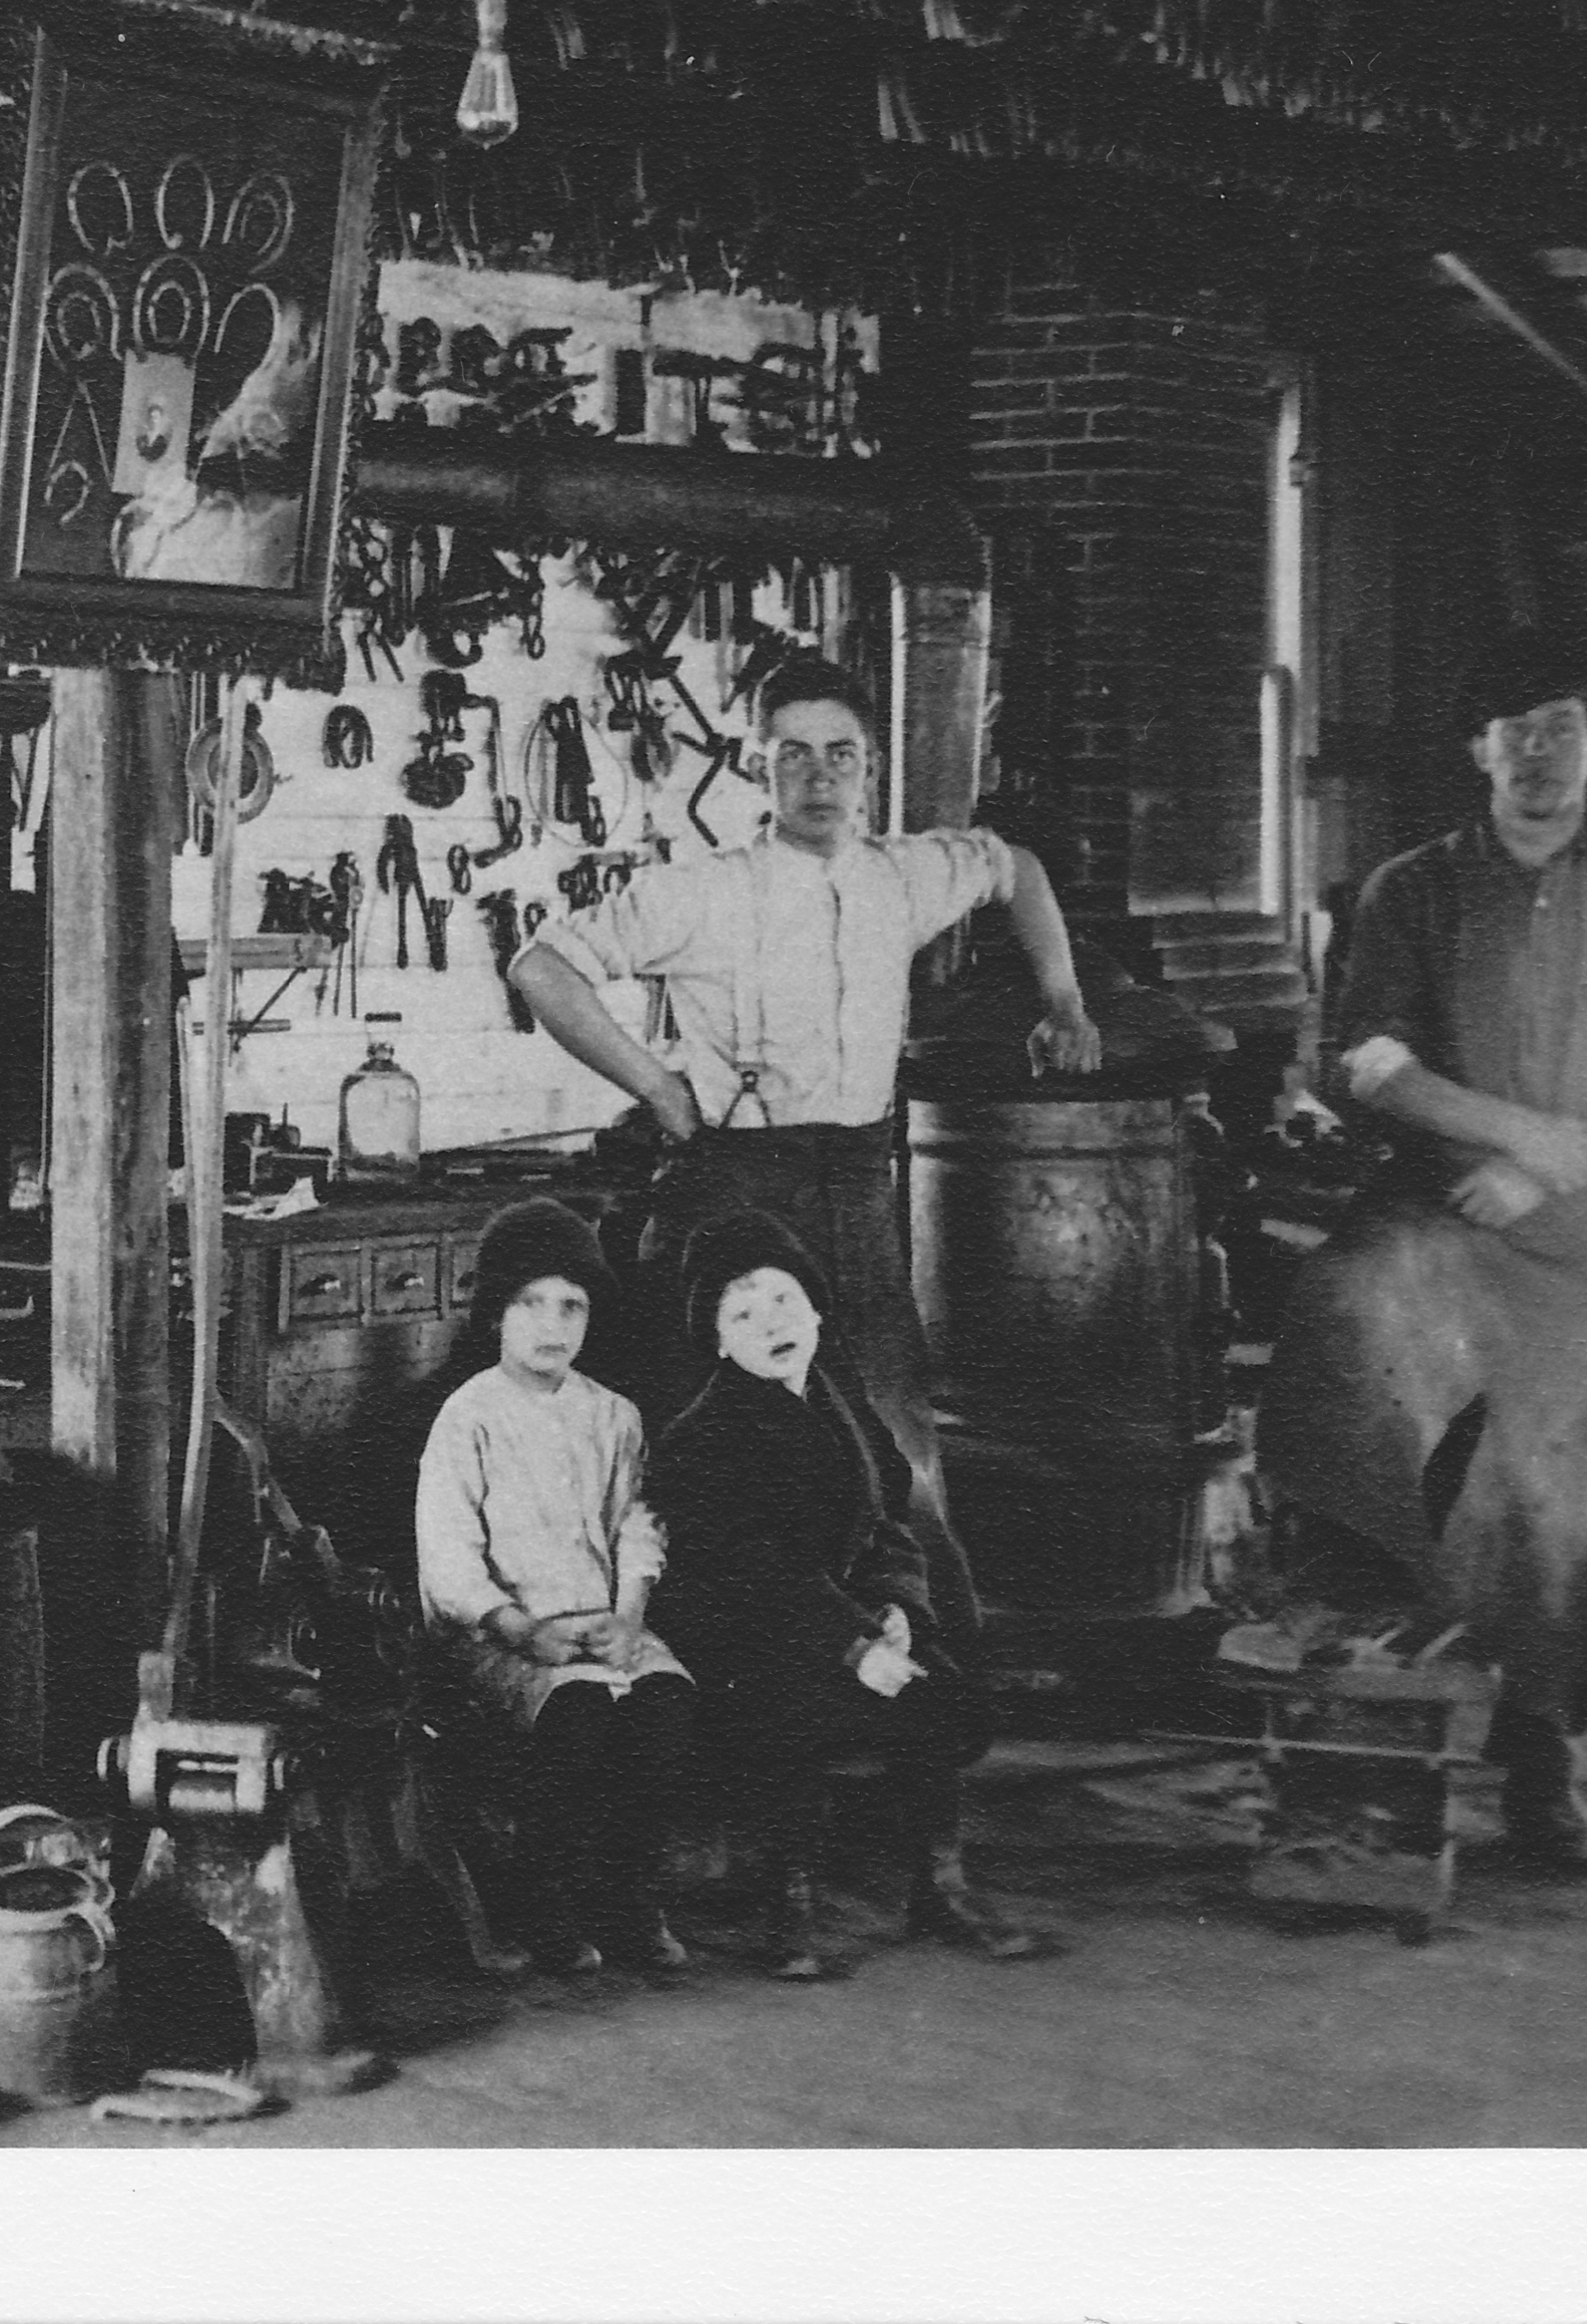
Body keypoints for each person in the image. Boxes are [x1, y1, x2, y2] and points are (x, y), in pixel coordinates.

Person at [508, 647, 1102, 1620]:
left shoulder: (904, 877)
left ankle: (922, 1680)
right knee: (692, 1442)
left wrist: (1065, 1003)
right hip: (729, 1190)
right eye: (794, 756)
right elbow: (542, 969)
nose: (819, 778)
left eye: (841, 755)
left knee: (894, 1438)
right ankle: (683, 1686)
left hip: (857, 1185)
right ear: (757, 768)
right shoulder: (698, 891)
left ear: (870, 768)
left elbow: (1017, 868)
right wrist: (655, 1085)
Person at [1259, 647, 1587, 1872]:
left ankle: (1539, 1761)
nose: (1537, 752)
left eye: (1561, 728)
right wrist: (1512, 1133)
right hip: (1439, 1216)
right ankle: (1349, 1722)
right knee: (1346, 1367)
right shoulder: (1412, 891)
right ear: (1480, 751)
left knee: (1553, 1488)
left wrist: (1558, 1166)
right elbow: (1368, 1060)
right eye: (1514, 731)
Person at [643, 1209, 1053, 1978]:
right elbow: (748, 1572)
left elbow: (889, 1522)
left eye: (784, 1301)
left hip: (852, 1617)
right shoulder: (704, 1436)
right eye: (742, 1313)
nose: (771, 1324)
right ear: (719, 1341)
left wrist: (901, 1611)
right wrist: (856, 1644)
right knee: (792, 1706)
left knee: (939, 1691)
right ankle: (789, 1899)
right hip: (743, 1633)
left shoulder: (844, 1406)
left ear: (819, 1311)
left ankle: (941, 1886)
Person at [413, 1199, 699, 1977]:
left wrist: (631, 1618)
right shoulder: (467, 1417)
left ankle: (628, 1894)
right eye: (530, 1303)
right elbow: (447, 1561)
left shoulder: (614, 1416)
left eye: (571, 1306)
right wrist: (520, 1630)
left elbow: (639, 1527)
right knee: (574, 1716)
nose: (553, 1324)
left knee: (665, 1709)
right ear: (496, 1312)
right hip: (505, 1635)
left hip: (607, 1625)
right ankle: (546, 1898)